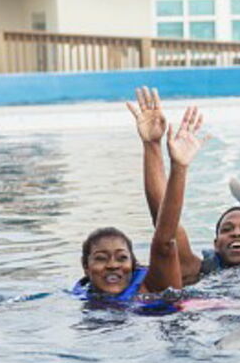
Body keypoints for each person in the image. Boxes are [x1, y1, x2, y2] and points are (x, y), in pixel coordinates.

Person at [127, 87, 240, 286]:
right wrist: (152, 145)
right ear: (215, 244)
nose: (237, 233)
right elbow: (165, 228)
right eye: (227, 230)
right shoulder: (196, 270)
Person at [73, 107, 204, 301]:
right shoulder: (79, 298)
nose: (112, 265)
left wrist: (178, 167)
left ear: (133, 265)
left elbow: (164, 242)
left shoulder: (152, 288)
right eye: (101, 258)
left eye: (122, 257)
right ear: (86, 267)